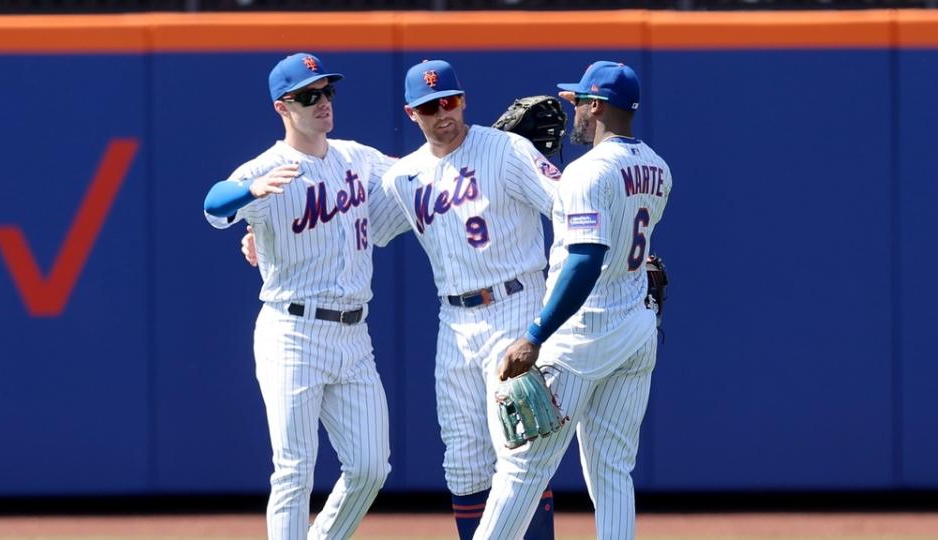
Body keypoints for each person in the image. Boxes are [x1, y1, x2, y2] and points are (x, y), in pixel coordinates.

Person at [472, 61, 673, 540]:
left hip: (582, 336)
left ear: (598, 105)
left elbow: (585, 260)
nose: (573, 112)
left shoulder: (587, 171)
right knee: (612, 473)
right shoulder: (658, 167)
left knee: (521, 470)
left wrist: (535, 335)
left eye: (578, 102)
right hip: (635, 330)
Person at [365, 59, 562, 540]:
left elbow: (568, 205)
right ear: (411, 114)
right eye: (429, 107)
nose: (442, 113)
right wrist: (261, 242)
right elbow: (353, 232)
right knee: (464, 458)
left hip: (516, 303)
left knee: (520, 449)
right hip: (453, 321)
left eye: (449, 101)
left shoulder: (508, 149)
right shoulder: (403, 177)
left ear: (464, 99)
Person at [202, 52, 394, 540]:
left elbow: (418, 175)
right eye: (309, 96)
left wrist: (475, 145)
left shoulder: (357, 157)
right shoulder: (266, 168)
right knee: (294, 469)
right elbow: (213, 207)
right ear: (282, 108)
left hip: (354, 333)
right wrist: (250, 191)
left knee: (372, 467)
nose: (323, 102)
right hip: (292, 330)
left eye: (327, 91)